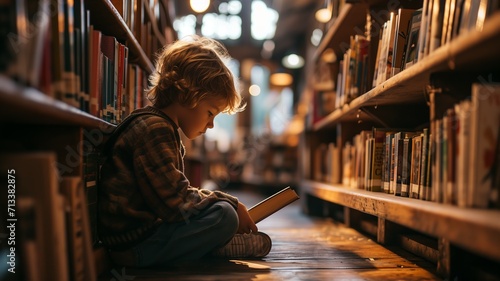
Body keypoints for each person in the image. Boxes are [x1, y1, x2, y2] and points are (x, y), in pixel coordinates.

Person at [97, 35, 271, 268]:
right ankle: (214, 246)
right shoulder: (154, 128)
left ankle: (212, 244)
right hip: (135, 244)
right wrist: (231, 203)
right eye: (210, 112)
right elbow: (176, 203)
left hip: (140, 235)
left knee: (222, 213)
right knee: (224, 216)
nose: (210, 125)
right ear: (187, 94)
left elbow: (175, 195)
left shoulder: (159, 125)